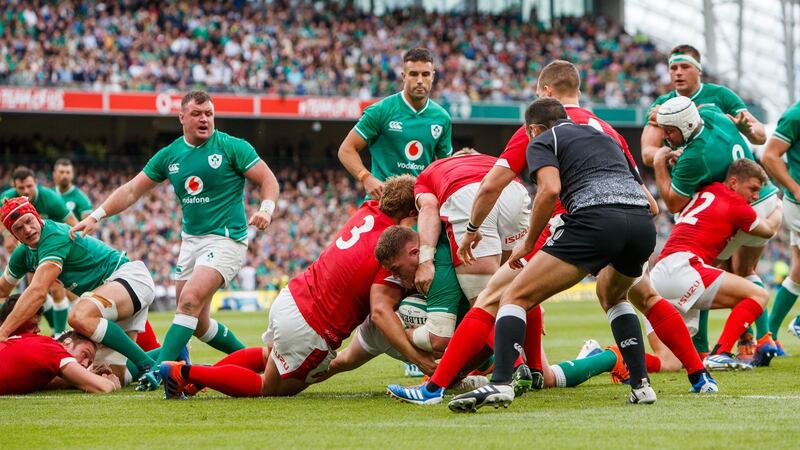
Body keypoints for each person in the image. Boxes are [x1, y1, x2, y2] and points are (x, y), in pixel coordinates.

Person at [450, 98, 658, 412]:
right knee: (614, 296)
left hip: (595, 222)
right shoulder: (608, 138)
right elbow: (651, 205)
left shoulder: (544, 140)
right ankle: (641, 386)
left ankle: (502, 382)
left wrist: (528, 242)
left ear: (532, 129)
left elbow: (548, 190)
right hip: (642, 226)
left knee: (514, 297)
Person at [70, 90, 280, 389]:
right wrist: (96, 216)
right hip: (190, 242)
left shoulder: (233, 147)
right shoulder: (170, 155)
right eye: (197, 114)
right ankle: (261, 360)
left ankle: (157, 372)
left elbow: (268, 179)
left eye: (209, 113)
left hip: (225, 239)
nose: (204, 119)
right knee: (199, 324)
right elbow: (132, 190)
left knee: (189, 302)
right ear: (182, 117)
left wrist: (266, 209)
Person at [157, 176, 425, 399]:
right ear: (410, 214)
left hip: (292, 297)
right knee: (269, 388)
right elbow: (380, 311)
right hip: (312, 326)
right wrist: (421, 360)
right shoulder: (392, 249)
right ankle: (185, 373)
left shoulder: (367, 210)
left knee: (268, 356)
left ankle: (196, 380)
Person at [641, 44, 770, 358]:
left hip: (734, 196)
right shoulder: (664, 105)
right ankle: (719, 344)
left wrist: (751, 130)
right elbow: (648, 152)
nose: (678, 73)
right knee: (712, 264)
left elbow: (759, 135)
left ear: (698, 69)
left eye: (684, 67)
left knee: (737, 267)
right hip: (696, 196)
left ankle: (754, 338)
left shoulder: (718, 97)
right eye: (673, 68)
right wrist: (671, 156)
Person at [0, 197, 158, 384]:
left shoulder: (53, 235)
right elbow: (3, 288)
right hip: (108, 295)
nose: (27, 229)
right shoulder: (23, 254)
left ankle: (148, 365)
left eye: (28, 221)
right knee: (111, 375)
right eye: (18, 228)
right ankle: (177, 356)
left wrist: (3, 332)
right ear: (13, 235)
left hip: (127, 278)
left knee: (78, 316)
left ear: (36, 216)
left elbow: (37, 291)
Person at [649, 159, 781, 370]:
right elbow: (768, 230)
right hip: (683, 268)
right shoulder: (734, 202)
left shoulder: (705, 189)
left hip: (658, 277)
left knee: (668, 363)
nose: (755, 196)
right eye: (753, 189)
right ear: (734, 182)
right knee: (758, 295)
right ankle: (720, 353)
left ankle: (608, 358)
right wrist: (778, 208)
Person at [338, 47, 452, 199]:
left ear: (432, 76)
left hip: (418, 206)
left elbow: (446, 167)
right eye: (413, 74)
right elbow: (346, 150)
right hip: (381, 202)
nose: (419, 80)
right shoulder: (381, 110)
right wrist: (366, 177)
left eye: (425, 74)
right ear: (403, 76)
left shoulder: (442, 118)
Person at [2, 165, 77, 336]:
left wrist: (63, 246)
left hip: (55, 248)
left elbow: (74, 224)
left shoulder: (51, 199)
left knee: (55, 289)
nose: (26, 191)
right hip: (31, 249)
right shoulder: (6, 200)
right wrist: (7, 234)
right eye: (21, 188)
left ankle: (59, 334)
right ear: (14, 186)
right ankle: (55, 330)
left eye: (29, 186)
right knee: (37, 291)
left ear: (36, 183)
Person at [0, 294, 120, 395]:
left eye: (89, 362)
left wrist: (87, 375)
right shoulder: (50, 348)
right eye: (84, 354)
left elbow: (46, 380)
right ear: (67, 342)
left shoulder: (24, 343)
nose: (85, 364)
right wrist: (111, 382)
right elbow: (102, 387)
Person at [761, 101, 800, 353]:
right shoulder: (795, 115)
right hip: (798, 201)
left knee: (798, 271)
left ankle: (769, 337)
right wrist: (795, 187)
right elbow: (769, 155)